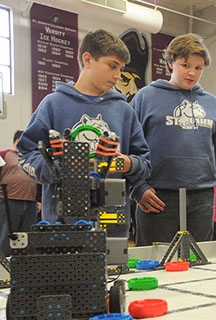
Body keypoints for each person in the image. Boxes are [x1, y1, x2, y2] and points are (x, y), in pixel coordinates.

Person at [17, 29, 151, 237]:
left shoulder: (125, 110)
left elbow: (145, 162)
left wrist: (128, 163)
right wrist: (56, 168)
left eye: (121, 68)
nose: (118, 75)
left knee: (113, 267)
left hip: (112, 223)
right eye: (112, 66)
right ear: (88, 59)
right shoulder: (53, 104)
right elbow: (26, 155)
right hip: (61, 224)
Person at [131, 33, 216, 245]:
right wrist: (138, 188)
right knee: (155, 265)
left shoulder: (211, 103)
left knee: (198, 265)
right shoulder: (145, 98)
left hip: (202, 199)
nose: (192, 73)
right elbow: (128, 149)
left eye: (198, 68)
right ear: (170, 63)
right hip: (157, 198)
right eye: (185, 65)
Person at [0, 131, 39, 255]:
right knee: (6, 235)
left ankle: (23, 267)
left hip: (30, 202)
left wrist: (39, 201)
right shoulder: (3, 155)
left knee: (27, 237)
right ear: (18, 141)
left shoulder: (32, 158)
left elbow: (40, 180)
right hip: (8, 201)